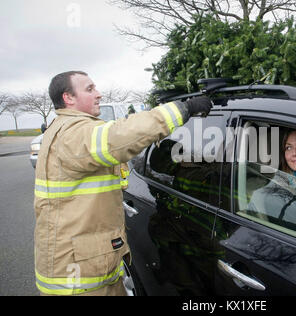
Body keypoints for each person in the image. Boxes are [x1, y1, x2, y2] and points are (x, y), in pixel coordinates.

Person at [34, 71, 212, 296]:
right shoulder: (73, 133)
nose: (98, 94)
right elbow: (120, 135)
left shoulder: (65, 128)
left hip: (84, 267)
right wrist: (183, 108)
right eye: (89, 89)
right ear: (68, 98)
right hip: (79, 279)